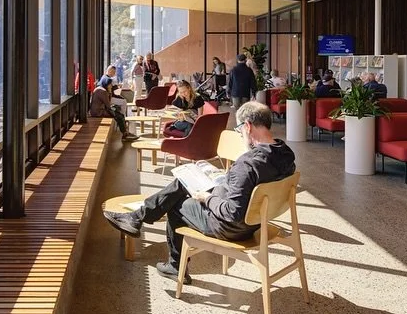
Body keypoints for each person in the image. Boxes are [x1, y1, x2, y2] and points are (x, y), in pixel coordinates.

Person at [103, 102, 296, 283]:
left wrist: (208, 198)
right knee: (183, 182)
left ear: (247, 126)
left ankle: (174, 264)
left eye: (238, 130)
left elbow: (232, 212)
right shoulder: (285, 153)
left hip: (232, 227)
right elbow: (253, 186)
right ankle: (137, 217)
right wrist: (224, 181)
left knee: (177, 205)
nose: (240, 135)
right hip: (257, 220)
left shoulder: (247, 164)